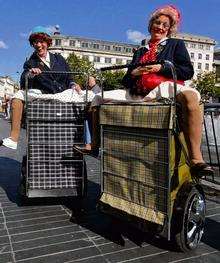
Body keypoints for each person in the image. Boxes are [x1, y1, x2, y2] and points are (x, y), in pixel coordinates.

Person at [121, 5, 213, 176]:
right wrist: (135, 72)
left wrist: (160, 68)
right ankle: (95, 144)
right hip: (140, 91)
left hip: (164, 86)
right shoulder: (141, 50)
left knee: (191, 97)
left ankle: (196, 158)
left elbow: (187, 71)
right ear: (151, 25)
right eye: (158, 23)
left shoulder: (175, 44)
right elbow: (125, 81)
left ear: (169, 30)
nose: (160, 27)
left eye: (165, 25)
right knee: (97, 98)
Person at [1, 26, 81, 150]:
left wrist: (73, 85)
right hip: (44, 94)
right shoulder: (31, 62)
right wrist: (30, 74)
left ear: (47, 43)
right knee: (17, 96)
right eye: (35, 42)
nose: (38, 45)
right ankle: (14, 138)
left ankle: (89, 141)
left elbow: (69, 78)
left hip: (62, 93)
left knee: (89, 97)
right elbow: (23, 80)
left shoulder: (59, 59)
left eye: (41, 42)